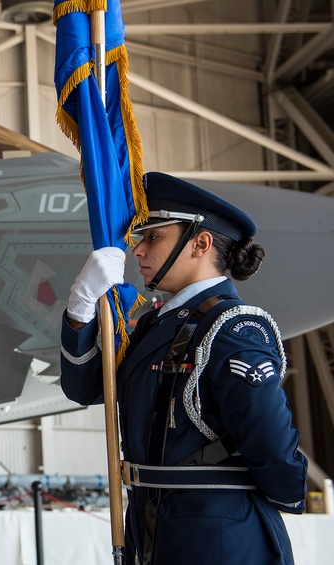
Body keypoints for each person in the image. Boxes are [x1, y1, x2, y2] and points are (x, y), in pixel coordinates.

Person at [60, 172, 307, 565]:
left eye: (153, 237)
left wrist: (285, 494)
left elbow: (274, 448)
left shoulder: (233, 327)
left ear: (201, 243)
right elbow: (85, 388)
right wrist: (80, 308)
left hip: (218, 537)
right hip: (155, 528)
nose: (137, 250)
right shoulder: (157, 325)